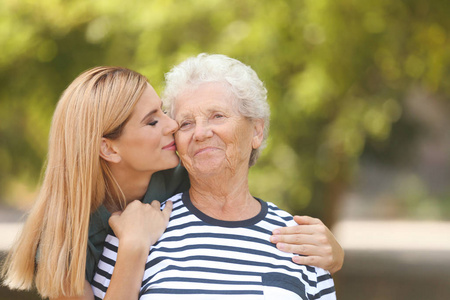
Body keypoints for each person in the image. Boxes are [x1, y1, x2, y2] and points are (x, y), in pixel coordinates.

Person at [1, 65, 341, 299]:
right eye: (153, 122)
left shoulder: (178, 170)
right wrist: (134, 245)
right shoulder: (65, 240)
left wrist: (335, 255)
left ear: (258, 129)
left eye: (164, 112)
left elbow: (232, 198)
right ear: (108, 148)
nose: (174, 127)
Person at [92, 54, 336, 299]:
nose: (201, 133)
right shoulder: (136, 229)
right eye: (186, 123)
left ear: (257, 131)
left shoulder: (302, 241)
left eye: (217, 116)